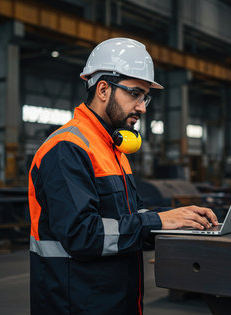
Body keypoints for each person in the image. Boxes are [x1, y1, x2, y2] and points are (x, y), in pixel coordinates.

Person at [28, 37, 218, 315]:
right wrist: (158, 221)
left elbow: (127, 217)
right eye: (134, 94)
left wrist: (179, 219)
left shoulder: (114, 149)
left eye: (145, 97)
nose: (142, 107)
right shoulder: (66, 148)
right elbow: (82, 234)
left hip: (114, 298)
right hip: (76, 302)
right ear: (103, 89)